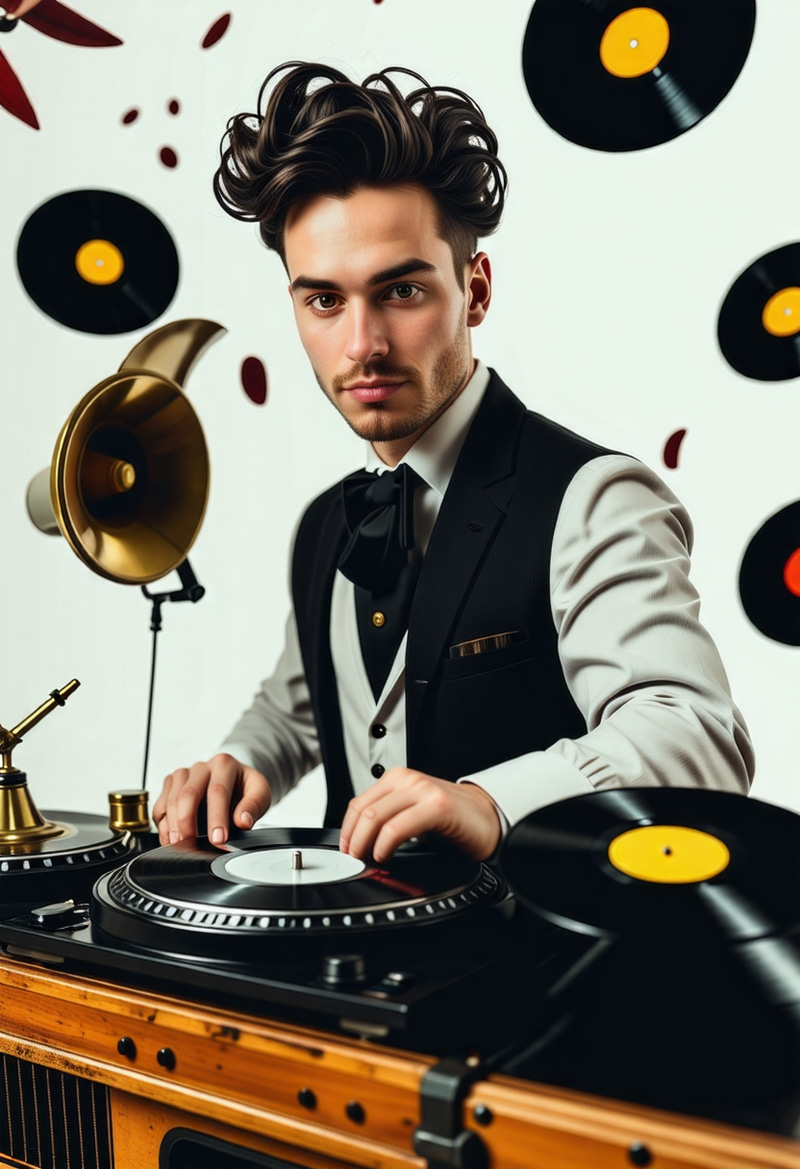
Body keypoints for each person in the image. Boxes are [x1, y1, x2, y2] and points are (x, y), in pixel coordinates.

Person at [153, 61, 753, 860]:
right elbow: (307, 703)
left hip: (535, 968)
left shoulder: (596, 499)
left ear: (475, 290)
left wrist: (490, 801)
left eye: (400, 291)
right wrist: (240, 763)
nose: (362, 344)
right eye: (325, 300)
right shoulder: (325, 522)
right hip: (347, 969)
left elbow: (698, 737)